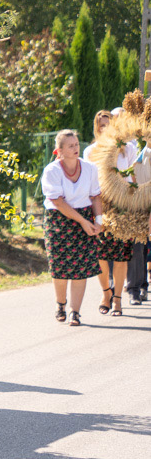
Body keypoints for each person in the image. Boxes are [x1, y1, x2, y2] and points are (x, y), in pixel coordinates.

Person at [42, 129, 102, 326]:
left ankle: (75, 312)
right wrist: (83, 222)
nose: (76, 148)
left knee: (80, 268)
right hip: (59, 220)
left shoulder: (90, 168)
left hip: (84, 216)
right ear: (59, 150)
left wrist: (98, 221)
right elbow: (58, 202)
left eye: (76, 144)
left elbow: (96, 196)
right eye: (70, 146)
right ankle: (61, 303)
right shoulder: (52, 171)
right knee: (59, 267)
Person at [91, 109, 139, 316]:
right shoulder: (91, 151)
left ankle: (118, 299)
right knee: (100, 255)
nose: (105, 128)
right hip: (100, 205)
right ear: (97, 128)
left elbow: (133, 177)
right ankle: (106, 293)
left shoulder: (127, 149)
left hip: (122, 205)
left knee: (121, 255)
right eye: (101, 125)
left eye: (108, 124)